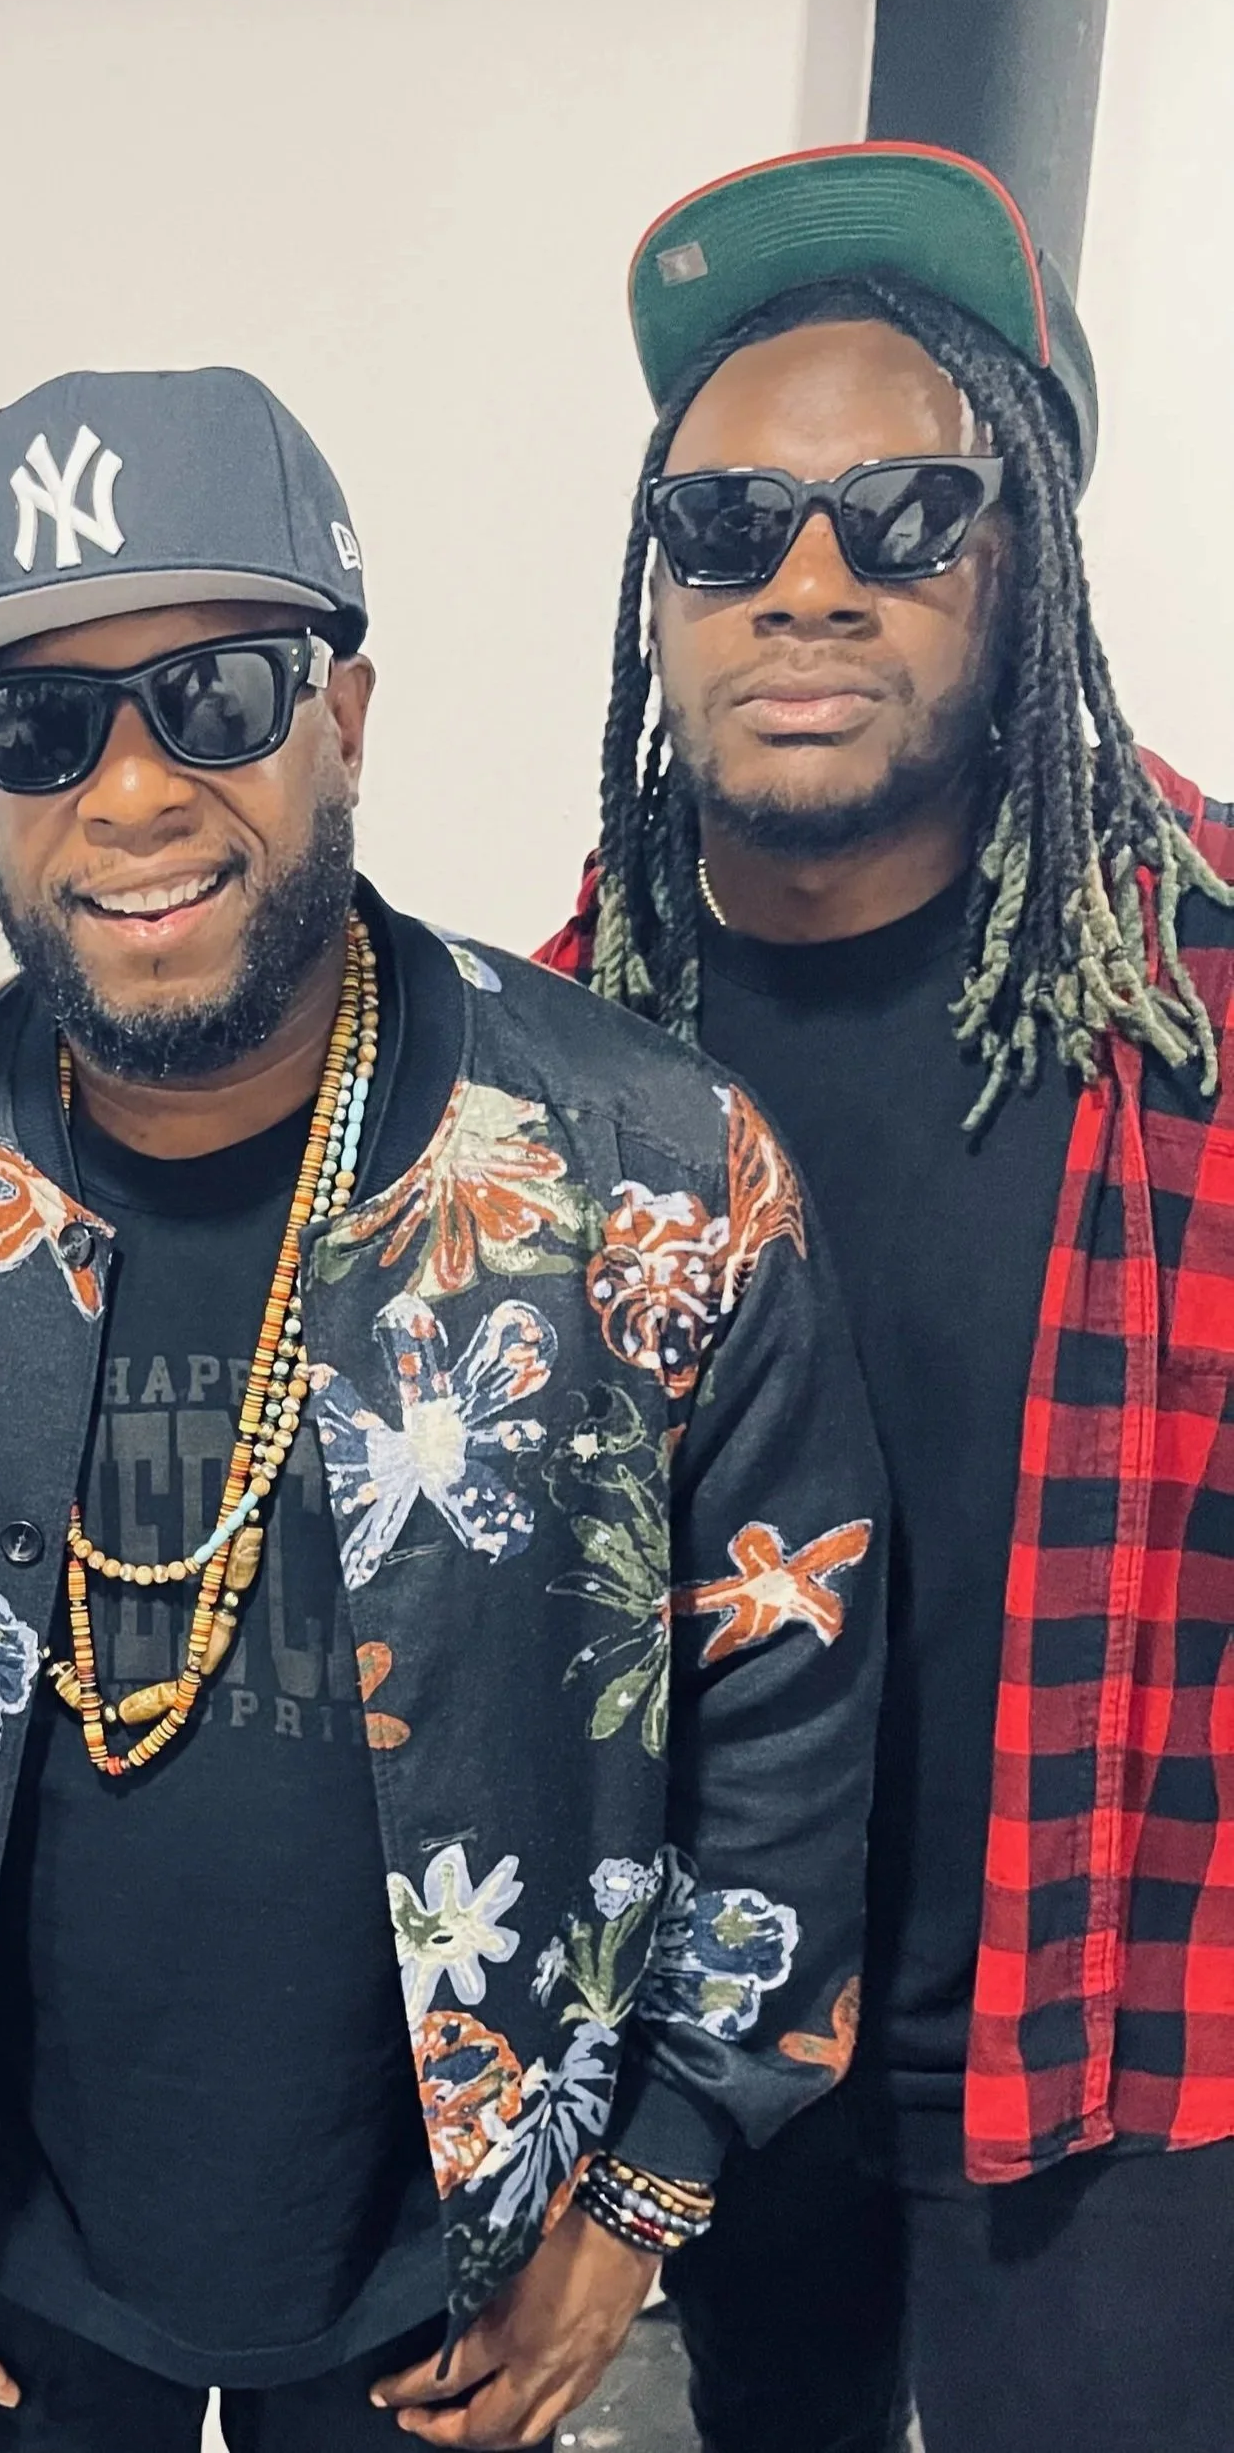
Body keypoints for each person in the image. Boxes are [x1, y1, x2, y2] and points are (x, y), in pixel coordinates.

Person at [0, 366, 886, 2452]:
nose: (127, 793)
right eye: (36, 724)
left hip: (451, 2260)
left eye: (212, 697)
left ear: (340, 717)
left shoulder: (642, 1171)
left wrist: (645, 2184)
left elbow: (790, 1709)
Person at [543, 142, 1234, 2453]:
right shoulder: (547, 1056)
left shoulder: (1205, 994)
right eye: (726, 524)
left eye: (901, 514)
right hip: (703, 2074)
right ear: (656, 588)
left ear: (1018, 553)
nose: (805, 582)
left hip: (1128, 2064)